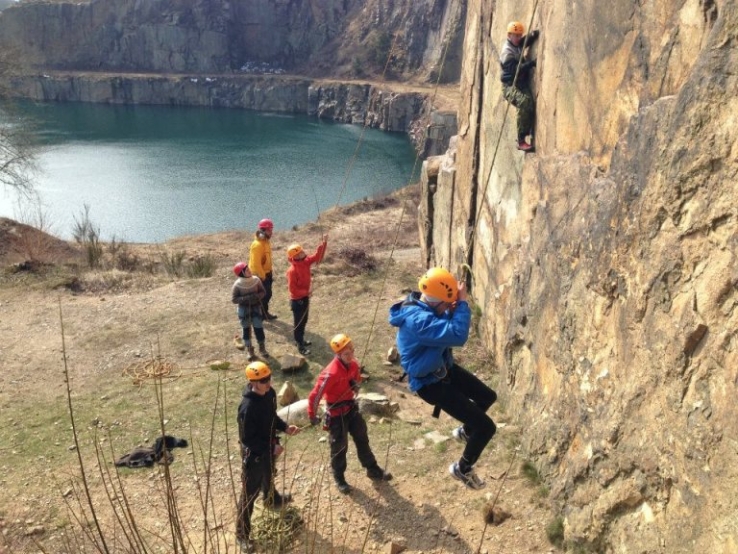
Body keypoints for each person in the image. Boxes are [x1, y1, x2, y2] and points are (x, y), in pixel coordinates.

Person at [388, 267, 497, 490]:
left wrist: (450, 306)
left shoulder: (425, 304)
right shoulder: (419, 321)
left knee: (487, 397)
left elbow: (443, 320)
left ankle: (466, 432)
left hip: (443, 369)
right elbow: (457, 335)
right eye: (447, 303)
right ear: (437, 301)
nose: (449, 307)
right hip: (430, 385)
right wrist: (463, 304)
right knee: (486, 428)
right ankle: (462, 469)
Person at [307, 333, 392, 494]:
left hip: (351, 408)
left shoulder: (353, 364)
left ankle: (372, 468)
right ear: (338, 355)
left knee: (362, 437)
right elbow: (315, 395)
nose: (351, 355)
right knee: (339, 446)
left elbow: (357, 378)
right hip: (336, 413)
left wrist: (355, 384)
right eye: (347, 353)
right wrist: (312, 414)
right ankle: (339, 477)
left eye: (352, 351)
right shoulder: (330, 373)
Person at [236, 361, 300, 553]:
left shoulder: (270, 393)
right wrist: (270, 447)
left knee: (270, 473)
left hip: (269, 446)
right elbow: (247, 439)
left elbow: (272, 416)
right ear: (253, 382)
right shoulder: (247, 408)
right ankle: (242, 534)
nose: (268, 382)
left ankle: (271, 498)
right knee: (249, 495)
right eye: (263, 380)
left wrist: (285, 427)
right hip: (254, 454)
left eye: (269, 378)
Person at [499, 21, 540, 152]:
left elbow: (523, 42)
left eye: (519, 35)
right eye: (515, 36)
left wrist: (533, 35)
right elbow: (516, 71)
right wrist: (531, 64)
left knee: (530, 104)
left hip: (519, 84)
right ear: (509, 35)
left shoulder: (516, 43)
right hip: (509, 87)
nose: (517, 38)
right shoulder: (507, 52)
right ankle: (521, 140)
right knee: (524, 102)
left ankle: (528, 129)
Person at [285, 235, 328, 355]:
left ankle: (302, 340)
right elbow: (292, 290)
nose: (304, 252)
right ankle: (300, 345)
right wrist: (306, 292)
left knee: (304, 321)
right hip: (297, 301)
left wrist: (323, 244)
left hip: (304, 298)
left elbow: (317, 257)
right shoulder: (292, 271)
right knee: (298, 323)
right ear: (296, 256)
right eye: (301, 252)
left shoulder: (305, 262)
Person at [232, 262, 269, 361]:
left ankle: (262, 348)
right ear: (242, 273)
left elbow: (263, 292)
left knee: (258, 328)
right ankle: (249, 349)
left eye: (249, 269)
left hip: (256, 307)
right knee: (246, 330)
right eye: (247, 270)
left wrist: (257, 296)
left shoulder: (256, 280)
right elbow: (234, 299)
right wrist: (246, 298)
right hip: (244, 310)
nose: (249, 271)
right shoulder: (237, 285)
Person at [249, 218, 277, 320]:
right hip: (259, 275)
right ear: (263, 230)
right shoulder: (257, 245)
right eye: (270, 230)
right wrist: (263, 276)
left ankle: (264, 314)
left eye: (271, 230)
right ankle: (257, 314)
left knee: (267, 295)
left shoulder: (266, 242)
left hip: (267, 273)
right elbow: (255, 264)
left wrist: (269, 271)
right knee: (264, 295)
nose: (271, 232)